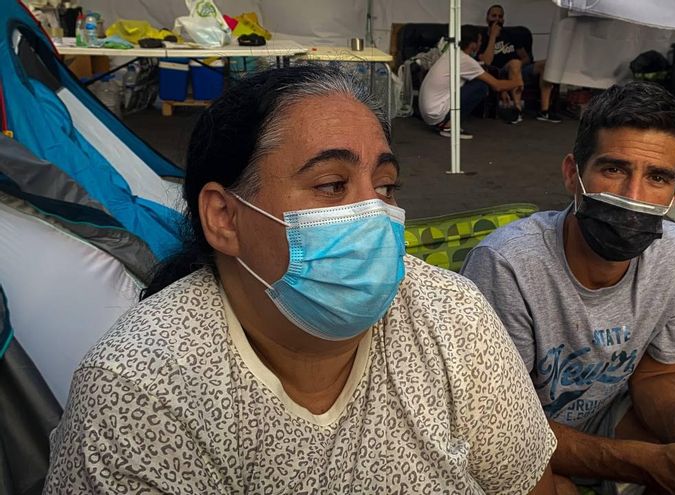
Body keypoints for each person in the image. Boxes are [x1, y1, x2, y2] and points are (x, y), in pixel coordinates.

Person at [43, 65, 557, 494]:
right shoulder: (141, 393)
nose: (373, 214)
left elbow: (530, 482)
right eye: (332, 184)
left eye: (385, 185)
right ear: (224, 216)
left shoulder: (451, 314)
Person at [461, 81, 675, 495]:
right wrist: (648, 463)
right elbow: (500, 429)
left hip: (604, 415)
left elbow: (658, 372)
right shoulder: (507, 265)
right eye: (614, 169)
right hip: (513, 433)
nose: (633, 197)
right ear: (573, 174)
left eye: (657, 177)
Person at [419, 25, 522, 139]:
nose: (480, 44)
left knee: (476, 81)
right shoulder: (465, 60)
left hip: (428, 113)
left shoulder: (452, 54)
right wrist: (518, 82)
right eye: (480, 41)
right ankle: (448, 126)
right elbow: (496, 85)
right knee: (481, 87)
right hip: (436, 114)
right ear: (473, 44)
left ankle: (447, 122)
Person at [480, 4, 561, 124]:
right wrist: (493, 37)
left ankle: (544, 111)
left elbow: (526, 58)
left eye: (500, 16)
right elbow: (486, 62)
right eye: (494, 16)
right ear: (487, 18)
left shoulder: (510, 35)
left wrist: (518, 68)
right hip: (498, 72)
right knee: (514, 63)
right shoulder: (483, 37)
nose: (497, 19)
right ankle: (517, 110)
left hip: (518, 70)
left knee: (546, 64)